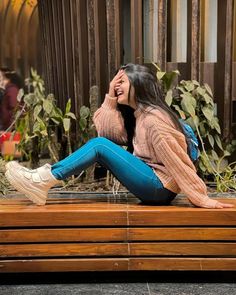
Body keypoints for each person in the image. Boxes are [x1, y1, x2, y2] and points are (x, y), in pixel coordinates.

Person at [5, 63, 234, 209]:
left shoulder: (154, 120)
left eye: (122, 82)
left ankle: (43, 179)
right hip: (153, 183)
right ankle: (43, 179)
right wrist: (110, 95)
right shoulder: (139, 116)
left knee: (99, 146)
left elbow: (178, 161)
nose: (117, 87)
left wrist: (201, 196)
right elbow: (106, 131)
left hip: (159, 187)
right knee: (101, 144)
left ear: (138, 84)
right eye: (117, 84)